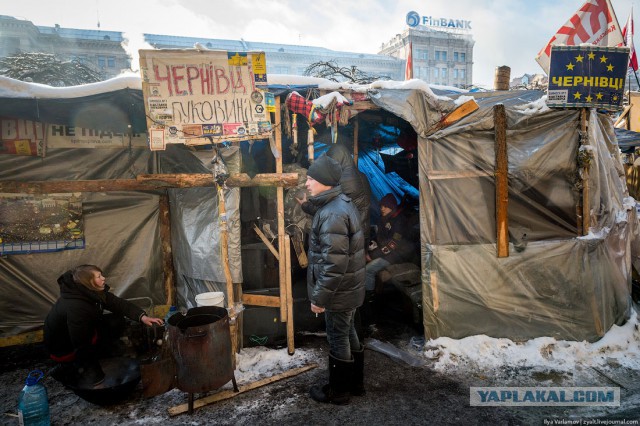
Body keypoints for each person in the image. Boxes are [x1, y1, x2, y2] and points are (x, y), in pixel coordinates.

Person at [305, 154, 366, 405]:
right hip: (348, 288)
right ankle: (355, 384)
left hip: (337, 290)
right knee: (347, 330)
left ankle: (339, 391)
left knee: (338, 335)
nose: (307, 182)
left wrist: (319, 297)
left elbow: (334, 263)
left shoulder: (332, 214)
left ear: (324, 181)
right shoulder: (340, 203)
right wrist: (307, 206)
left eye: (311, 178)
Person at [44, 264, 163, 387]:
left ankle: (106, 352)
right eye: (98, 276)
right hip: (64, 350)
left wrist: (143, 317)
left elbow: (118, 304)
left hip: (83, 332)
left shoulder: (90, 292)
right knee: (87, 361)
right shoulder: (76, 307)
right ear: (88, 282)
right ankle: (68, 368)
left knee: (117, 320)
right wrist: (97, 379)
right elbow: (82, 345)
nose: (103, 278)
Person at [296, 143, 372, 243]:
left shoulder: (340, 182)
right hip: (363, 232)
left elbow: (326, 211)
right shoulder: (362, 176)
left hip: (347, 236)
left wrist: (305, 205)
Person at [365, 193, 414, 293]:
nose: (382, 208)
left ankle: (370, 298)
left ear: (391, 207)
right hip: (385, 252)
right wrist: (368, 249)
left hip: (397, 255)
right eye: (381, 206)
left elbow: (393, 244)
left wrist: (372, 255)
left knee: (368, 270)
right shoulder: (383, 219)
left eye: (385, 206)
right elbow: (378, 237)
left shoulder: (399, 222)